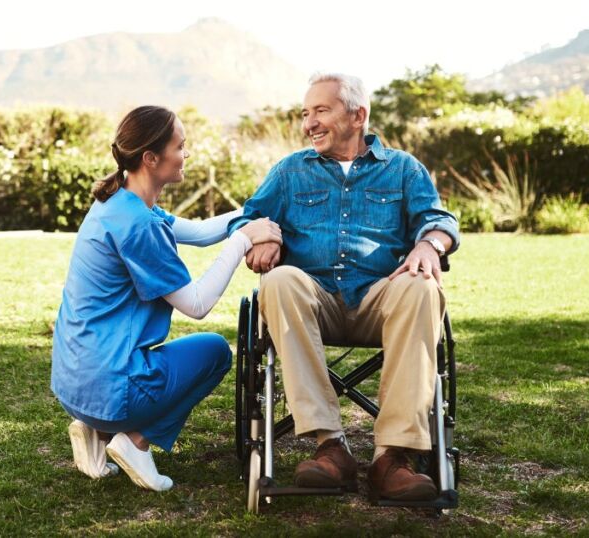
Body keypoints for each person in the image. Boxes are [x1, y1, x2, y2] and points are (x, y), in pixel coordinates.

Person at [227, 73, 461, 501]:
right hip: (311, 299)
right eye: (305, 114)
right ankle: (330, 448)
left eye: (320, 111)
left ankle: (393, 458)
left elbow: (440, 219)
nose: (308, 124)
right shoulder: (290, 171)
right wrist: (261, 235)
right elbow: (246, 218)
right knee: (278, 281)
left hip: (380, 298)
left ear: (358, 116)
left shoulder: (403, 169)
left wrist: (430, 245)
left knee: (422, 286)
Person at [51, 105, 282, 491]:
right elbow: (196, 305)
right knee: (214, 353)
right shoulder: (139, 225)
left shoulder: (119, 202)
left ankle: (93, 429)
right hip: (110, 387)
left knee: (157, 356)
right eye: (180, 146)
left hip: (74, 382)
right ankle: (134, 441)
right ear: (150, 158)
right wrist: (244, 239)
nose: (185, 154)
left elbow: (204, 231)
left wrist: (254, 214)